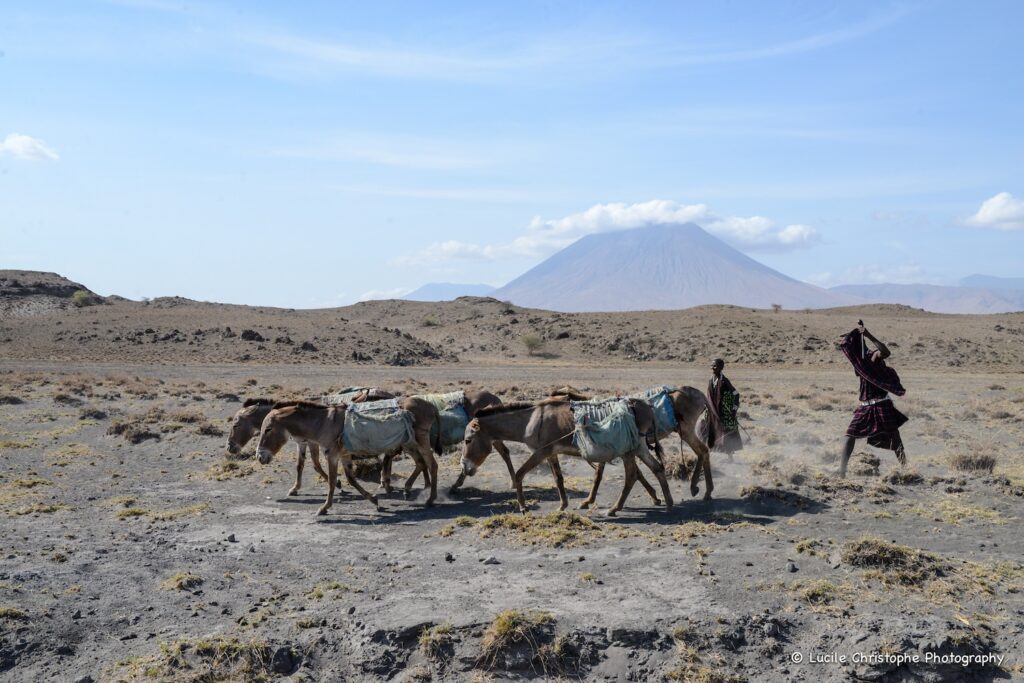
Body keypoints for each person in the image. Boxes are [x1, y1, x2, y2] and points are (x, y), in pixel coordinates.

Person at [838, 322, 908, 478]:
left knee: (895, 439)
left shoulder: (873, 356)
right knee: (850, 435)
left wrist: (868, 334)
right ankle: (841, 472)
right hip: (865, 406)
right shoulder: (859, 363)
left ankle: (906, 469)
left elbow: (886, 352)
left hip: (881, 404)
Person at [702, 358, 743, 456]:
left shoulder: (724, 381)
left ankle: (730, 456)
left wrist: (733, 410)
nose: (712, 367)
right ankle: (709, 453)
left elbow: (736, 394)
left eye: (715, 366)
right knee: (708, 430)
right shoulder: (711, 380)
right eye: (712, 365)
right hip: (712, 411)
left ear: (721, 367)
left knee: (726, 433)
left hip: (723, 413)